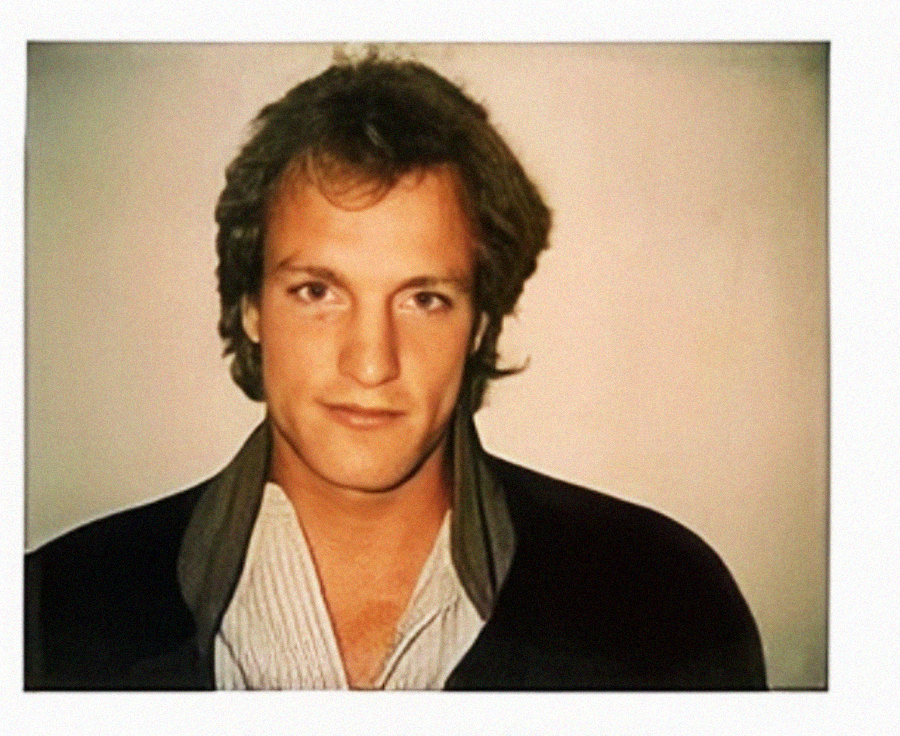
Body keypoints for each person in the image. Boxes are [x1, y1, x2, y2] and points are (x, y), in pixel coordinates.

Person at [24, 54, 766, 690]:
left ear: (478, 326)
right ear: (251, 307)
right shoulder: (53, 615)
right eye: (317, 292)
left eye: (424, 298)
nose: (372, 362)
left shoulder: (662, 605)